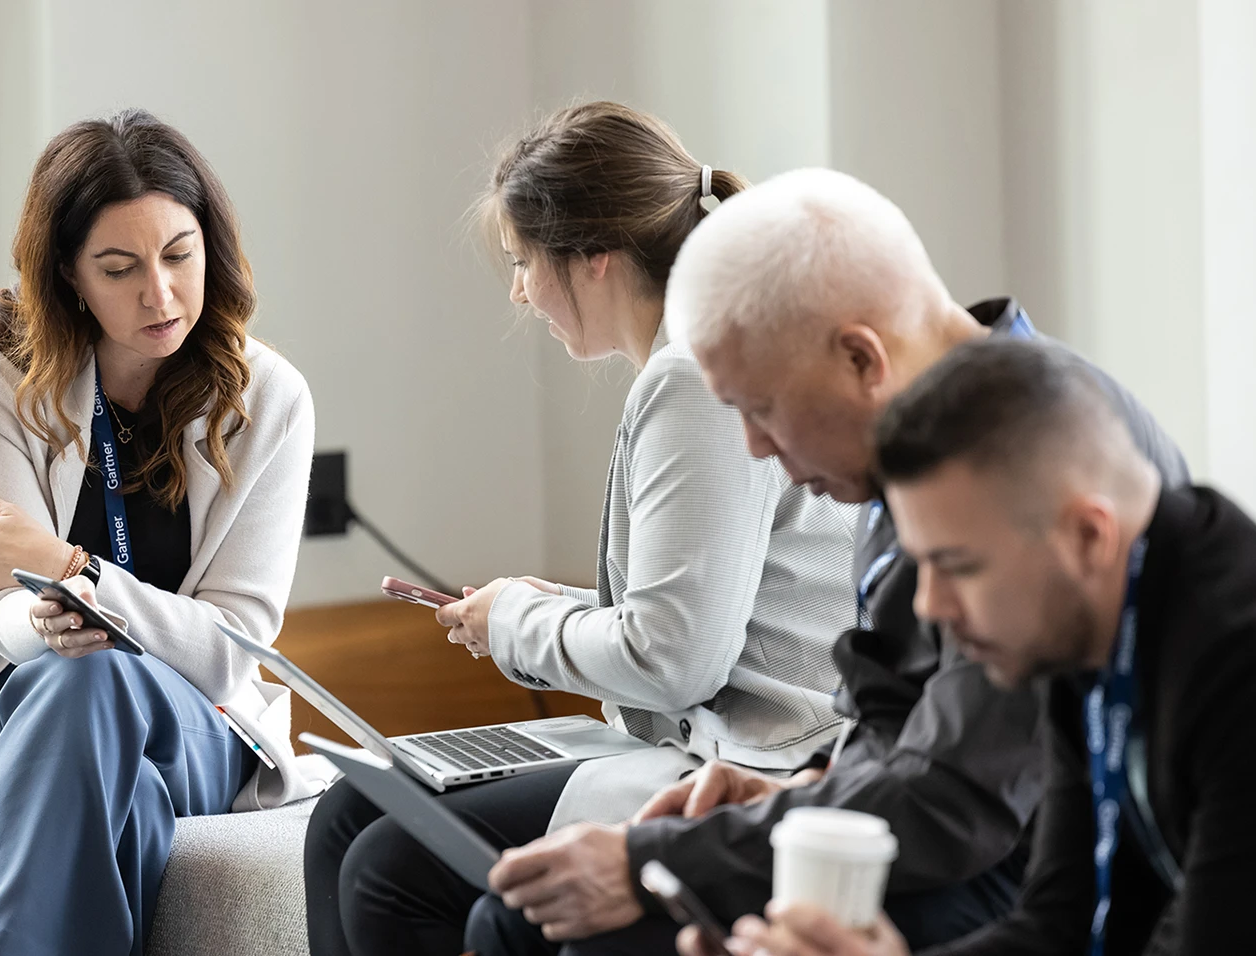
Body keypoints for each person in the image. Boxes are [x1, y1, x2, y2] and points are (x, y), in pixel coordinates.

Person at [469, 168, 1191, 955]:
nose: (755, 447)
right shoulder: (919, 437)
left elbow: (953, 802)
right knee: (525, 918)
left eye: (763, 409)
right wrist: (805, 790)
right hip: (965, 827)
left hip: (1035, 870)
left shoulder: (1036, 454)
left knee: (569, 930)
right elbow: (895, 724)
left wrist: (650, 856)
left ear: (860, 358)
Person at [303, 102, 861, 956]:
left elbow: (673, 661)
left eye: (524, 263)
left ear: (595, 258)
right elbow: (705, 609)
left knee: (387, 866)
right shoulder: (696, 356)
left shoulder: (691, 379)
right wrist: (538, 602)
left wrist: (518, 628)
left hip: (758, 764)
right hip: (718, 736)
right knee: (352, 811)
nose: (521, 291)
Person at [0, 109, 322, 956]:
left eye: (180, 255)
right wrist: (41, 618)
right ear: (68, 275)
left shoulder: (271, 400)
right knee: (116, 799)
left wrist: (75, 573)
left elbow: (232, 649)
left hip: (192, 719)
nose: (161, 293)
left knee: (94, 684)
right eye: (120, 268)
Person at [711, 338, 1256, 956]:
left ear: (1088, 536)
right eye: (921, 564)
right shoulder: (1086, 622)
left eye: (957, 565)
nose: (931, 606)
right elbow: (1059, 926)